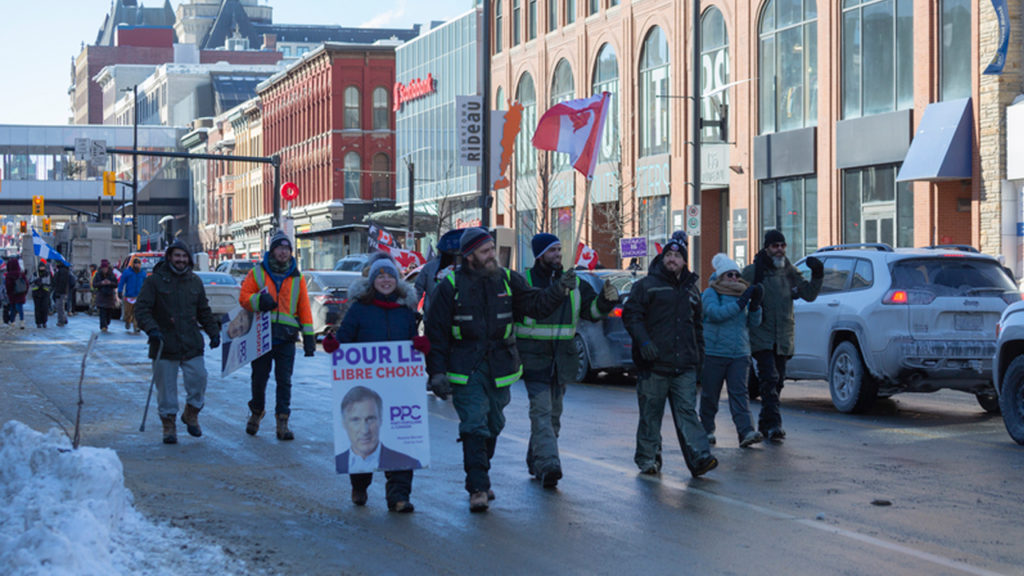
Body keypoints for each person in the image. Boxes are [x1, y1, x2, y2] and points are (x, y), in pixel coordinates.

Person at [425, 227, 571, 512]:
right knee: (474, 424)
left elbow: (535, 305)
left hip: (500, 366)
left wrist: (559, 290)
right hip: (466, 368)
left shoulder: (507, 278)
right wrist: (436, 372)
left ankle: (482, 474)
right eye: (485, 251)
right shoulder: (450, 286)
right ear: (469, 257)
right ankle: (477, 488)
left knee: (493, 424)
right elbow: (436, 333)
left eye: (492, 248)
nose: (492, 255)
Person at [514, 233, 617, 488]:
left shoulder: (575, 283)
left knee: (553, 416)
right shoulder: (524, 282)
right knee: (541, 412)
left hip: (562, 359)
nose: (558, 255)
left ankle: (536, 459)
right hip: (534, 358)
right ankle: (549, 464)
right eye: (552, 251)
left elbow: (591, 312)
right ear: (539, 255)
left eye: (560, 250)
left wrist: (604, 302)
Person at [326, 255, 428, 512]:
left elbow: (412, 340)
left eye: (390, 275)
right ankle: (360, 485)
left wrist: (420, 346)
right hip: (366, 388)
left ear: (397, 280)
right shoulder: (360, 309)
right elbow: (344, 339)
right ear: (373, 281)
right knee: (364, 440)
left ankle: (399, 496)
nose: (386, 280)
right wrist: (334, 345)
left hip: (400, 387)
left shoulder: (405, 311)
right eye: (380, 276)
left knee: (403, 437)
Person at [622, 231, 717, 478]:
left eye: (677, 256)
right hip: (653, 364)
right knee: (651, 415)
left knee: (687, 413)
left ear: (685, 261)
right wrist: (644, 342)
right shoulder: (646, 286)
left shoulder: (691, 290)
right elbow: (631, 316)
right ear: (663, 258)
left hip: (684, 363)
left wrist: (699, 362)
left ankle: (700, 457)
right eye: (669, 255)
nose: (672, 259)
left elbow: (697, 328)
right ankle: (648, 459)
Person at [135, 240, 221, 445]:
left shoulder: (195, 282)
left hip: (191, 343)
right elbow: (142, 309)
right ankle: (169, 425)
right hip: (164, 344)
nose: (181, 260)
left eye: (184, 256)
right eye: (177, 256)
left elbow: (203, 311)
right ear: (170, 257)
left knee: (199, 379)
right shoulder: (155, 281)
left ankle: (191, 413)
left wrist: (213, 332)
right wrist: (152, 329)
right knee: (166, 390)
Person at [741, 229, 823, 441]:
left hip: (783, 336)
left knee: (777, 383)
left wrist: (817, 275)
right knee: (769, 379)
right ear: (767, 248)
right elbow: (736, 293)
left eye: (782, 246)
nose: (779, 250)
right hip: (762, 334)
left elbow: (809, 295)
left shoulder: (790, 271)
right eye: (775, 246)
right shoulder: (753, 272)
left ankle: (765, 424)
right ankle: (775, 425)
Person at [239, 231, 315, 441]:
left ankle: (283, 421)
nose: (283, 252)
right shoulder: (258, 272)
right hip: (261, 336)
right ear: (272, 251)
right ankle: (256, 412)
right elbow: (244, 297)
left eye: (287, 249)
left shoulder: (296, 277)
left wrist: (309, 338)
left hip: (286, 337)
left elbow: (304, 307)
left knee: (285, 381)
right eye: (279, 248)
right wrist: (259, 301)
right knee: (259, 379)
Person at [699, 253, 765, 448]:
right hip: (715, 352)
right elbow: (715, 314)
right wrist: (741, 303)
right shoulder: (711, 293)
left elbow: (754, 323)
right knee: (710, 395)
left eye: (736, 275)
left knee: (740, 395)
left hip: (739, 353)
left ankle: (746, 431)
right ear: (720, 276)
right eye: (730, 275)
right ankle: (706, 430)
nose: (734, 279)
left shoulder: (743, 293)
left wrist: (755, 306)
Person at [117, 257, 146, 333]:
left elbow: (146, 284)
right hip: (129, 296)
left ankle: (136, 326)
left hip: (138, 296)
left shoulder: (143, 273)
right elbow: (121, 282)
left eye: (138, 264)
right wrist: (119, 291)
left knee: (137, 312)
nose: (137, 265)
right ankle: (127, 321)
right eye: (135, 264)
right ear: (133, 264)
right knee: (128, 312)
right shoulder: (127, 272)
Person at [93, 259, 118, 332]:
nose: (105, 269)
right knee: (102, 312)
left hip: (109, 298)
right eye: (103, 268)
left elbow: (116, 284)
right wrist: (101, 283)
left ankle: (106, 323)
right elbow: (94, 284)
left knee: (109, 313)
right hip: (101, 296)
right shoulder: (98, 275)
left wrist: (110, 282)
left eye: (106, 268)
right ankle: (103, 326)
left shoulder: (111, 274)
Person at [4, 258, 28, 329]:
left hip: (12, 294)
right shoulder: (21, 274)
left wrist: (9, 293)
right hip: (20, 294)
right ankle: (22, 322)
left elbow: (8, 286)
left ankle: (12, 322)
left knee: (12, 308)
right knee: (20, 308)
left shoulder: (9, 275)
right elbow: (26, 284)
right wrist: (24, 292)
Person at [30, 262, 52, 328]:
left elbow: (49, 283)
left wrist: (42, 283)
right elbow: (31, 283)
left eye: (43, 267)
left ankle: (44, 322)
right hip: (36, 293)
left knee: (44, 308)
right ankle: (38, 322)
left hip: (45, 293)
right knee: (37, 309)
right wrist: (36, 282)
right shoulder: (35, 274)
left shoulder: (47, 274)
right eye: (40, 267)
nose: (42, 268)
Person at [52, 261, 72, 327]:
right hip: (64, 291)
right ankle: (64, 318)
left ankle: (61, 321)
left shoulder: (61, 272)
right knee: (61, 306)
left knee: (59, 307)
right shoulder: (66, 271)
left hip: (60, 291)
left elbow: (58, 282)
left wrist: (57, 291)